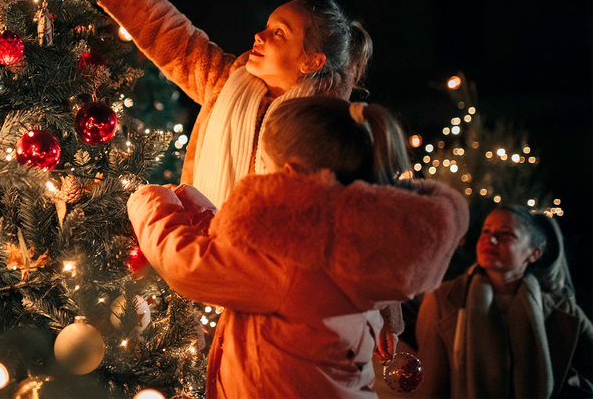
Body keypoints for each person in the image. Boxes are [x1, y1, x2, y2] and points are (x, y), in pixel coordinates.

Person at [127, 97, 469, 399]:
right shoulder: (353, 234)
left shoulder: (291, 260)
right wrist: (189, 203)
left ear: (290, 173)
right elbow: (242, 253)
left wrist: (149, 198)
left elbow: (187, 263)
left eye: (265, 165)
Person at [76, 0, 372, 208]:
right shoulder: (226, 82)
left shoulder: (331, 135)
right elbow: (175, 37)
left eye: (278, 33)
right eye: (267, 26)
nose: (259, 35)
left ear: (311, 61)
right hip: (205, 251)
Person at [415, 205, 593, 399]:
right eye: (486, 231)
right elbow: (429, 387)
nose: (490, 239)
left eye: (506, 234)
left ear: (534, 253)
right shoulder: (444, 299)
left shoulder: (563, 310)